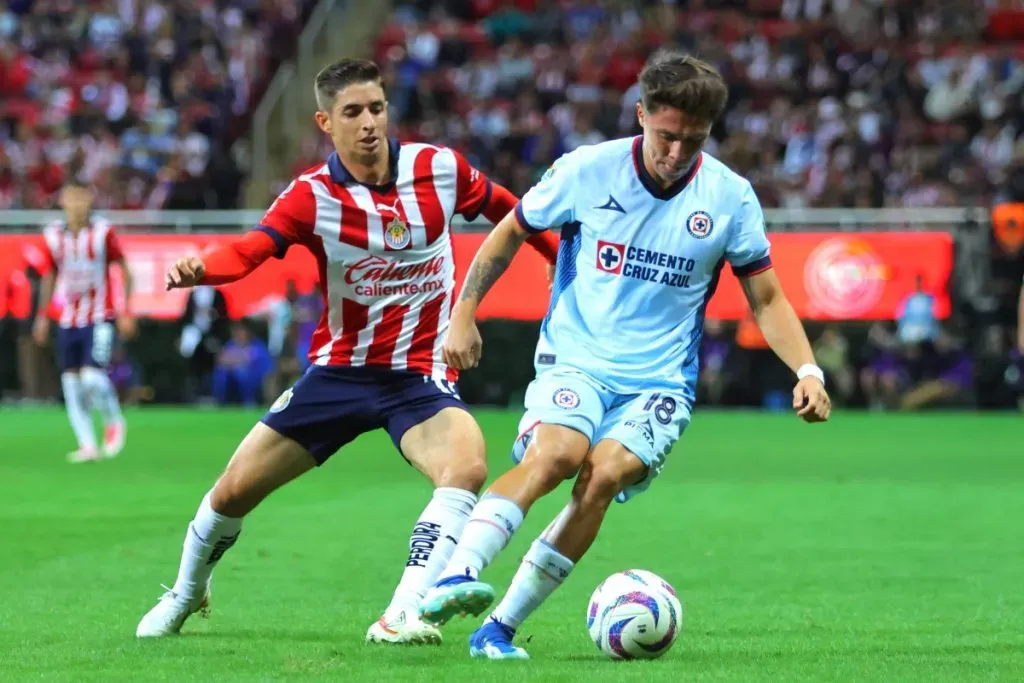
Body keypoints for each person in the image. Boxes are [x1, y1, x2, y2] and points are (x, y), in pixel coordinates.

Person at [418, 51, 832, 659]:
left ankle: (497, 628)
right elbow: (511, 230)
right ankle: (456, 574)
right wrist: (463, 311)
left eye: (692, 141)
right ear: (641, 115)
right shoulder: (588, 170)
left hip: (660, 382)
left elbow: (766, 298)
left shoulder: (730, 198)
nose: (675, 153)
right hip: (577, 359)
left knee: (602, 477)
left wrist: (808, 370)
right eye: (666, 136)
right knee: (557, 453)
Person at [136, 58, 558, 644]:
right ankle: (186, 594)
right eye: (352, 112)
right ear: (325, 123)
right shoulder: (311, 196)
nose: (368, 123)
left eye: (376, 109)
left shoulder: (439, 170)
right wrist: (201, 268)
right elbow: (252, 251)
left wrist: (558, 257)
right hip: (339, 373)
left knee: (466, 466)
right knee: (232, 492)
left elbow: (517, 213)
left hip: (417, 374)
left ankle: (401, 614)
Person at [32, 181, 134, 462]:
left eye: (81, 199)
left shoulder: (103, 232)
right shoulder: (53, 235)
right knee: (71, 383)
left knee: (91, 376)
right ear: (62, 203)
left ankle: (113, 419)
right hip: (68, 318)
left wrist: (125, 310)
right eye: (71, 200)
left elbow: (124, 269)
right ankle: (87, 444)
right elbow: (49, 276)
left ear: (89, 202)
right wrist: (42, 317)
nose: (76, 206)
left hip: (100, 315)